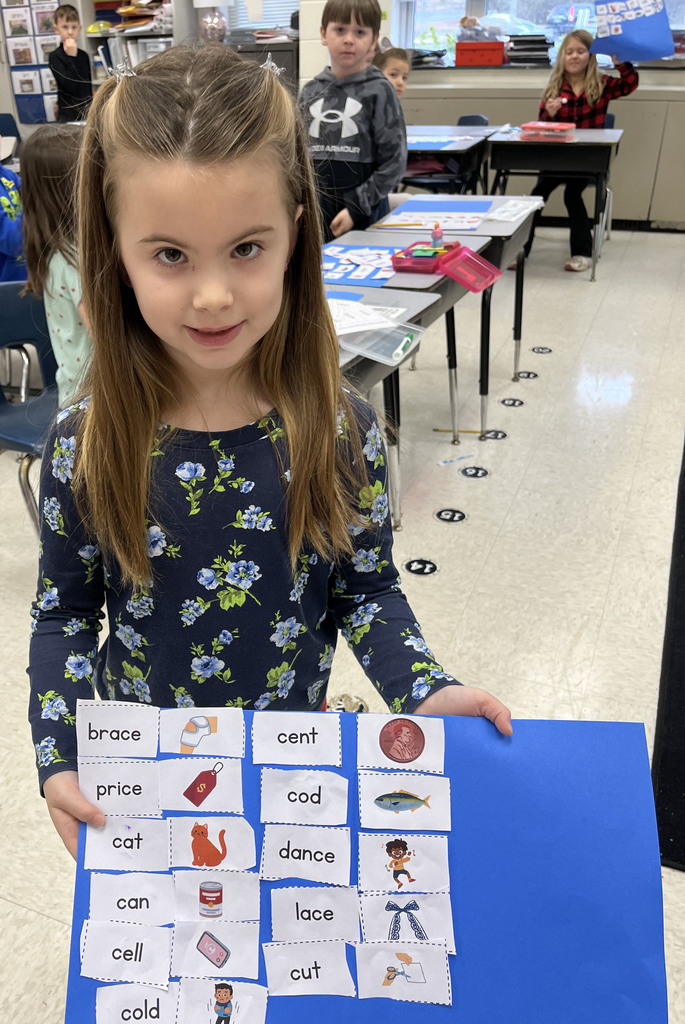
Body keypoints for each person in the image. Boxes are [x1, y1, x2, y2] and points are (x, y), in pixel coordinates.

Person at [27, 45, 512, 860]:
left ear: (294, 238)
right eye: (170, 255)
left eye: (246, 249)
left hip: (292, 772)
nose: (212, 295)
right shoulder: (84, 444)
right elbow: (65, 615)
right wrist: (59, 754)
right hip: (141, 783)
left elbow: (365, 589)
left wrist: (421, 688)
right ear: (115, 254)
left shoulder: (341, 426)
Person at [519, 30, 638, 273]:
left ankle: (582, 253)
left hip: (586, 160)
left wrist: (621, 64)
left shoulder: (601, 84)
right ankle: (520, 249)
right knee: (537, 195)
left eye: (581, 51)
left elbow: (629, 84)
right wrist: (548, 115)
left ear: (590, 55)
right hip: (557, 159)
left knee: (572, 196)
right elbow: (540, 124)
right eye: (569, 52)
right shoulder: (554, 87)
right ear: (562, 56)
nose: (574, 56)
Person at [299, 0, 407, 240]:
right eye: (340, 30)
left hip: (364, 218)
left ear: (373, 40)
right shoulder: (309, 92)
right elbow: (296, 159)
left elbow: (394, 163)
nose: (349, 39)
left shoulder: (380, 91)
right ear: (323, 34)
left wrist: (356, 208)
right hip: (316, 218)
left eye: (360, 32)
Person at [21, 123, 92, 406]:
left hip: (79, 392)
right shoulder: (74, 259)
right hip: (93, 400)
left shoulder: (58, 251)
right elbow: (106, 334)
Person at [49, 4, 92, 123]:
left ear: (79, 29)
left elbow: (86, 87)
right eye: (65, 27)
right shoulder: (55, 56)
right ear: (56, 29)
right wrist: (72, 57)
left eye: (74, 27)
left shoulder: (83, 56)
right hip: (67, 116)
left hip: (86, 114)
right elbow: (69, 85)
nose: (70, 32)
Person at [0, 154, 25, 282]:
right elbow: (15, 242)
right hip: (8, 285)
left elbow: (31, 191)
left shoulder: (5, 174)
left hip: (26, 276)